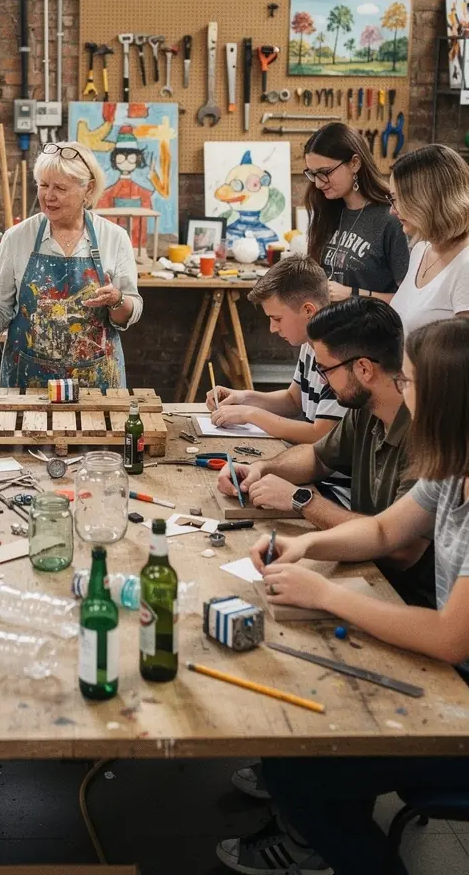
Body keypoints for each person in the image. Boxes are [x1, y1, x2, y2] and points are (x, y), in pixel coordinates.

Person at [218, 317, 469, 875]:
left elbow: (452, 638)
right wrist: (305, 549)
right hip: (452, 681)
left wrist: (327, 596)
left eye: (409, 382)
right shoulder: (451, 469)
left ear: (447, 399)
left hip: (460, 707)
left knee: (304, 770)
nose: (401, 392)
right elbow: (383, 531)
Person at [0, 141, 143, 386]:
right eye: (43, 185)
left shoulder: (114, 237)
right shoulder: (18, 237)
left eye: (61, 188)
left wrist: (117, 300)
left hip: (96, 382)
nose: (48, 196)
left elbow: (129, 311)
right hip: (29, 380)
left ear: (88, 189)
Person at [206, 256, 344, 444]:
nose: (272, 328)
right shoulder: (309, 344)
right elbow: (293, 401)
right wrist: (243, 397)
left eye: (277, 319)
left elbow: (320, 434)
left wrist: (250, 414)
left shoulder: (337, 354)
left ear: (308, 311)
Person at [303, 122, 408, 303]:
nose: (319, 183)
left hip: (372, 328)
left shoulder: (391, 218)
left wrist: (352, 294)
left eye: (325, 172)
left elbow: (410, 301)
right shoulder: (328, 211)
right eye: (312, 174)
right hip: (330, 328)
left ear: (355, 163)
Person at [389, 144, 469, 333]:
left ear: (427, 200)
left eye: (398, 199)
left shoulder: (465, 265)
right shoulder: (421, 248)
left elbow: (459, 358)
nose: (392, 210)